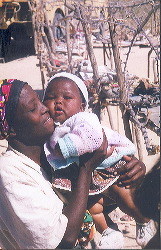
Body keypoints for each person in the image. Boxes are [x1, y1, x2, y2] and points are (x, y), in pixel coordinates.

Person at [43, 72, 158, 249]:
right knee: (93, 207)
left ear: (82, 106)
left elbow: (91, 138)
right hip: (84, 179)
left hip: (108, 167)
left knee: (124, 196)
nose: (58, 102)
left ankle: (143, 220)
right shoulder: (50, 129)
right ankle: (108, 231)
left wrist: (63, 148)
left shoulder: (83, 119)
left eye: (67, 97)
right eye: (50, 98)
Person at [0, 79, 112, 249]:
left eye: (39, 100)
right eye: (33, 108)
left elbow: (90, 201)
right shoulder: (10, 173)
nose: (45, 108)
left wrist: (127, 167)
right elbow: (62, 241)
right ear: (13, 129)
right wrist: (86, 168)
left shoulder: (52, 152)